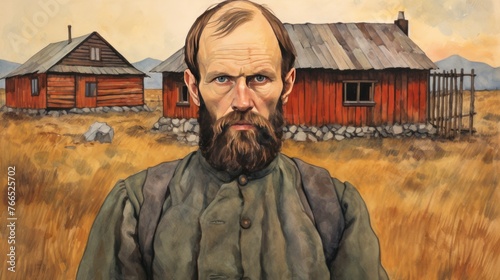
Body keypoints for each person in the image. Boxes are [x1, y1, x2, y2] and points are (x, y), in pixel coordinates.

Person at [77, 0, 388, 279]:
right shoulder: (137, 207)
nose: (241, 101)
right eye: (222, 79)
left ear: (287, 84)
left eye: (259, 78)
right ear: (194, 87)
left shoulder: (335, 208)